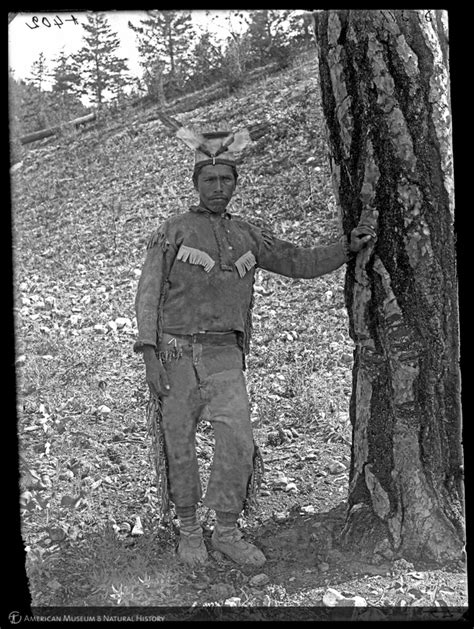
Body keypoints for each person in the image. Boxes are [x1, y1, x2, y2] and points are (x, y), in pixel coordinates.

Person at [134, 127, 375, 568]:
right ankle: (189, 533)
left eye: (226, 181)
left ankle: (226, 530)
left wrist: (346, 249)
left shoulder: (247, 234)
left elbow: (297, 261)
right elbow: (147, 293)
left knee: (237, 441)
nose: (218, 189)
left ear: (235, 185)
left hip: (226, 354)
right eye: (210, 181)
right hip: (175, 354)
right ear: (196, 184)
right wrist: (150, 355)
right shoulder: (173, 230)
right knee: (179, 444)